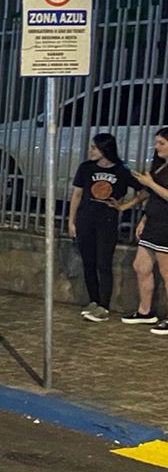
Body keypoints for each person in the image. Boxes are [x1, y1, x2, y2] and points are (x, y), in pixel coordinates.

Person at [67, 133, 142, 322]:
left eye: (94, 147)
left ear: (104, 149)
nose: (90, 151)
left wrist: (124, 206)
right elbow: (77, 195)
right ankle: (93, 300)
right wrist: (71, 221)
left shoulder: (121, 169)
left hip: (107, 221)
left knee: (103, 262)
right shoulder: (86, 168)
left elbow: (143, 191)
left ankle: (104, 306)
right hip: (86, 219)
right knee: (88, 262)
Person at [120, 128, 168, 334]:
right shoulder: (159, 165)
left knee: (166, 272)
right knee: (141, 265)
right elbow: (152, 196)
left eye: (162, 143)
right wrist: (144, 218)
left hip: (166, 225)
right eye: (156, 143)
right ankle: (145, 311)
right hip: (153, 222)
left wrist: (150, 183)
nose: (157, 147)